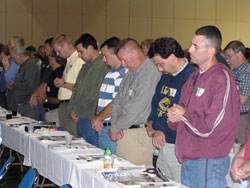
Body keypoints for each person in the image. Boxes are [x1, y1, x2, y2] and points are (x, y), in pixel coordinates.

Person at [167, 25, 240, 187]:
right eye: (191, 45)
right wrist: (173, 116)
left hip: (208, 162)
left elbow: (214, 126)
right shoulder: (194, 77)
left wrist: (183, 115)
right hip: (189, 159)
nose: (189, 50)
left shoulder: (221, 78)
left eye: (195, 46)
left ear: (211, 51)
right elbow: (180, 114)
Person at [146, 37, 195, 182]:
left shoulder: (190, 77)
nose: (159, 69)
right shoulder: (166, 76)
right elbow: (156, 103)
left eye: (161, 64)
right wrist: (151, 124)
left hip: (178, 145)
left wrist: (154, 126)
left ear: (173, 57)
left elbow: (174, 109)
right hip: (163, 142)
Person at [108, 38, 161, 166]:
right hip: (124, 132)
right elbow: (118, 101)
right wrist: (114, 125)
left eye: (124, 60)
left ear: (135, 54)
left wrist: (115, 127)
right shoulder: (131, 72)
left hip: (139, 137)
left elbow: (134, 108)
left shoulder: (150, 72)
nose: (123, 64)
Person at [68, 33, 109, 145]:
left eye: (81, 52)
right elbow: (76, 89)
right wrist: (72, 108)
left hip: (91, 117)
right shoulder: (85, 67)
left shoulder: (102, 66)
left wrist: (77, 109)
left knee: (93, 152)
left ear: (90, 48)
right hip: (81, 116)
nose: (79, 56)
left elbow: (95, 95)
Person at [91, 37, 127, 154]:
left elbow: (117, 104)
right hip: (102, 126)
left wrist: (98, 118)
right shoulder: (110, 73)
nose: (103, 60)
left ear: (116, 54)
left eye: (105, 56)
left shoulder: (124, 74)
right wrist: (97, 117)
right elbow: (102, 100)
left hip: (112, 128)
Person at [53, 34, 84, 136]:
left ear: (65, 45)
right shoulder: (69, 61)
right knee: (64, 137)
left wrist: (64, 84)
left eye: (58, 51)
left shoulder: (79, 60)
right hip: (63, 104)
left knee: (72, 138)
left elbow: (81, 87)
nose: (57, 54)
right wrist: (61, 84)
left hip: (72, 104)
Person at [224, 40, 250, 144]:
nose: (227, 60)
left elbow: (243, 99)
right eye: (226, 57)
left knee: (239, 148)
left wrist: (226, 91)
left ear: (239, 54)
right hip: (231, 115)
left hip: (242, 117)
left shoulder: (247, 72)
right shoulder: (233, 70)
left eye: (229, 57)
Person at [7, 47, 40, 120]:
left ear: (20, 55)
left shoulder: (30, 65)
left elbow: (28, 84)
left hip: (28, 106)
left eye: (13, 57)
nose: (13, 60)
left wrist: (14, 85)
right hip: (22, 106)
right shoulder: (24, 65)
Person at [37, 50, 66, 125]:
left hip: (56, 113)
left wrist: (46, 99)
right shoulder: (51, 71)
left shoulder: (61, 73)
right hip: (46, 110)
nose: (47, 57)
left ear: (54, 58)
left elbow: (60, 99)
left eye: (49, 55)